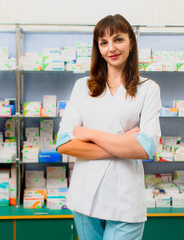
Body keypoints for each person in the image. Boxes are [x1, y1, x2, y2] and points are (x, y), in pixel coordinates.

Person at [56, 14, 161, 240]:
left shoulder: (148, 88)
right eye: (103, 43)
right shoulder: (82, 87)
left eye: (118, 39)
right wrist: (124, 143)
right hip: (85, 196)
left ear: (131, 42)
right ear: (98, 48)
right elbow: (64, 143)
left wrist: (88, 134)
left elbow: (146, 149)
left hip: (124, 199)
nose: (111, 48)